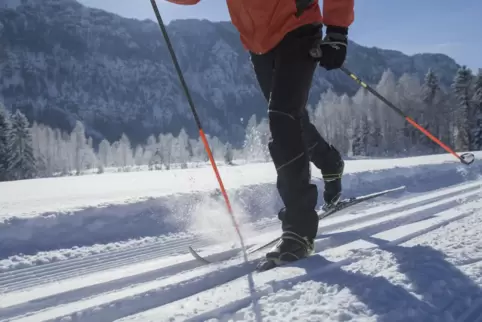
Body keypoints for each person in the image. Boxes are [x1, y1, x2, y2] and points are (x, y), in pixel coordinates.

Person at [167, 0, 354, 266]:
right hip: (260, 43)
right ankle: (329, 161)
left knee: (282, 118)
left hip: (298, 24)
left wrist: (337, 29)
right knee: (291, 118)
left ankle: (299, 230)